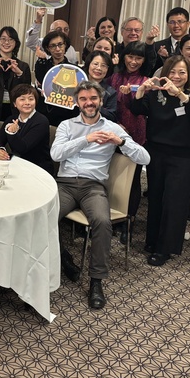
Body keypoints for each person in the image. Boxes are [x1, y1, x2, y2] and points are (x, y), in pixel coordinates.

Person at [51, 81, 150, 309]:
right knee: (44, 216)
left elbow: (145, 158)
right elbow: (56, 154)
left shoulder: (113, 128)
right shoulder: (67, 125)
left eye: (93, 98)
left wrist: (120, 141)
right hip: (65, 184)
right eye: (84, 99)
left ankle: (96, 281)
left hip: (93, 186)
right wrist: (86, 139)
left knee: (102, 222)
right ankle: (64, 258)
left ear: (101, 101)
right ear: (77, 103)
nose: (89, 103)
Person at [130, 56, 190, 267]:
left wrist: (180, 94)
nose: (176, 76)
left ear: (188, 75)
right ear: (165, 73)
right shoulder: (156, 95)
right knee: (156, 197)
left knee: (174, 202)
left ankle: (165, 248)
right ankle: (152, 241)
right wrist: (141, 90)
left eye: (182, 72)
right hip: (156, 153)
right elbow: (137, 109)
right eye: (172, 72)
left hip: (181, 157)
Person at [108, 41, 149, 241]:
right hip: (114, 131)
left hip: (136, 133)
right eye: (130, 56)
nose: (133, 61)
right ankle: (113, 216)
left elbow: (142, 109)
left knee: (132, 179)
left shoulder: (146, 81)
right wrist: (116, 125)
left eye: (138, 58)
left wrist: (132, 97)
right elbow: (107, 105)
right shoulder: (114, 77)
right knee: (114, 175)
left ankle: (129, 221)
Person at [0, 84, 53, 174]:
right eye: (22, 99)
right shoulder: (12, 119)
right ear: (15, 104)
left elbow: (22, 148)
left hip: (38, 168)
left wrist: (12, 133)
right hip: (16, 165)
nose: (27, 103)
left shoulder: (41, 121)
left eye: (31, 99)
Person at [0, 26, 30, 121]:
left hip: (14, 110)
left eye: (11, 39)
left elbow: (28, 91)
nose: (7, 42)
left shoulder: (23, 66)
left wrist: (19, 73)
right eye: (3, 39)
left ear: (16, 43)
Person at [148, 7, 190, 71]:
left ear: (188, 24)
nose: (176, 25)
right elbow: (150, 70)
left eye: (180, 22)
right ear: (167, 24)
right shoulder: (157, 46)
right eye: (172, 22)